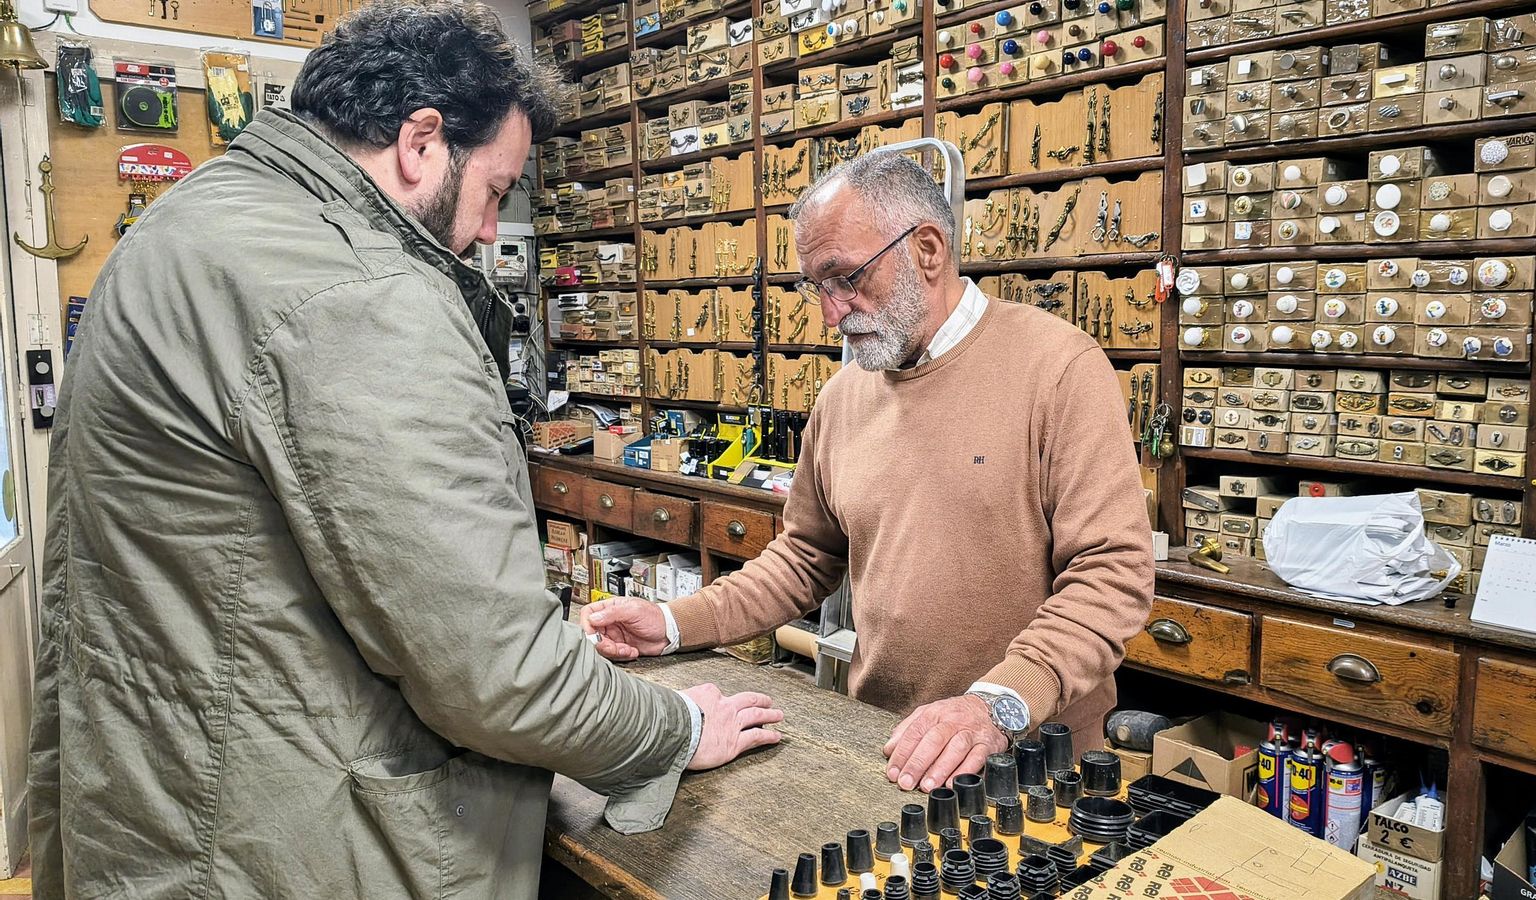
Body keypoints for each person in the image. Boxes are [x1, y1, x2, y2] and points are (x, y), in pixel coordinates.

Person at [28, 2, 781, 896]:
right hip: (279, 849)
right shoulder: (357, 289)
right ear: (422, 142)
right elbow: (494, 677)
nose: (492, 230)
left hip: (162, 815)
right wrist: (671, 731)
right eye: (497, 190)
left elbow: (254, 569)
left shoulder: (193, 223)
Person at [584, 150, 1154, 794]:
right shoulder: (843, 397)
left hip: (1035, 763)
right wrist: (675, 622)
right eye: (816, 289)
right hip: (886, 748)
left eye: (846, 278)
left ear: (928, 250)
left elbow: (1112, 577)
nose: (831, 313)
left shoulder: (1059, 369)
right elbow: (803, 558)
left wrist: (997, 702)